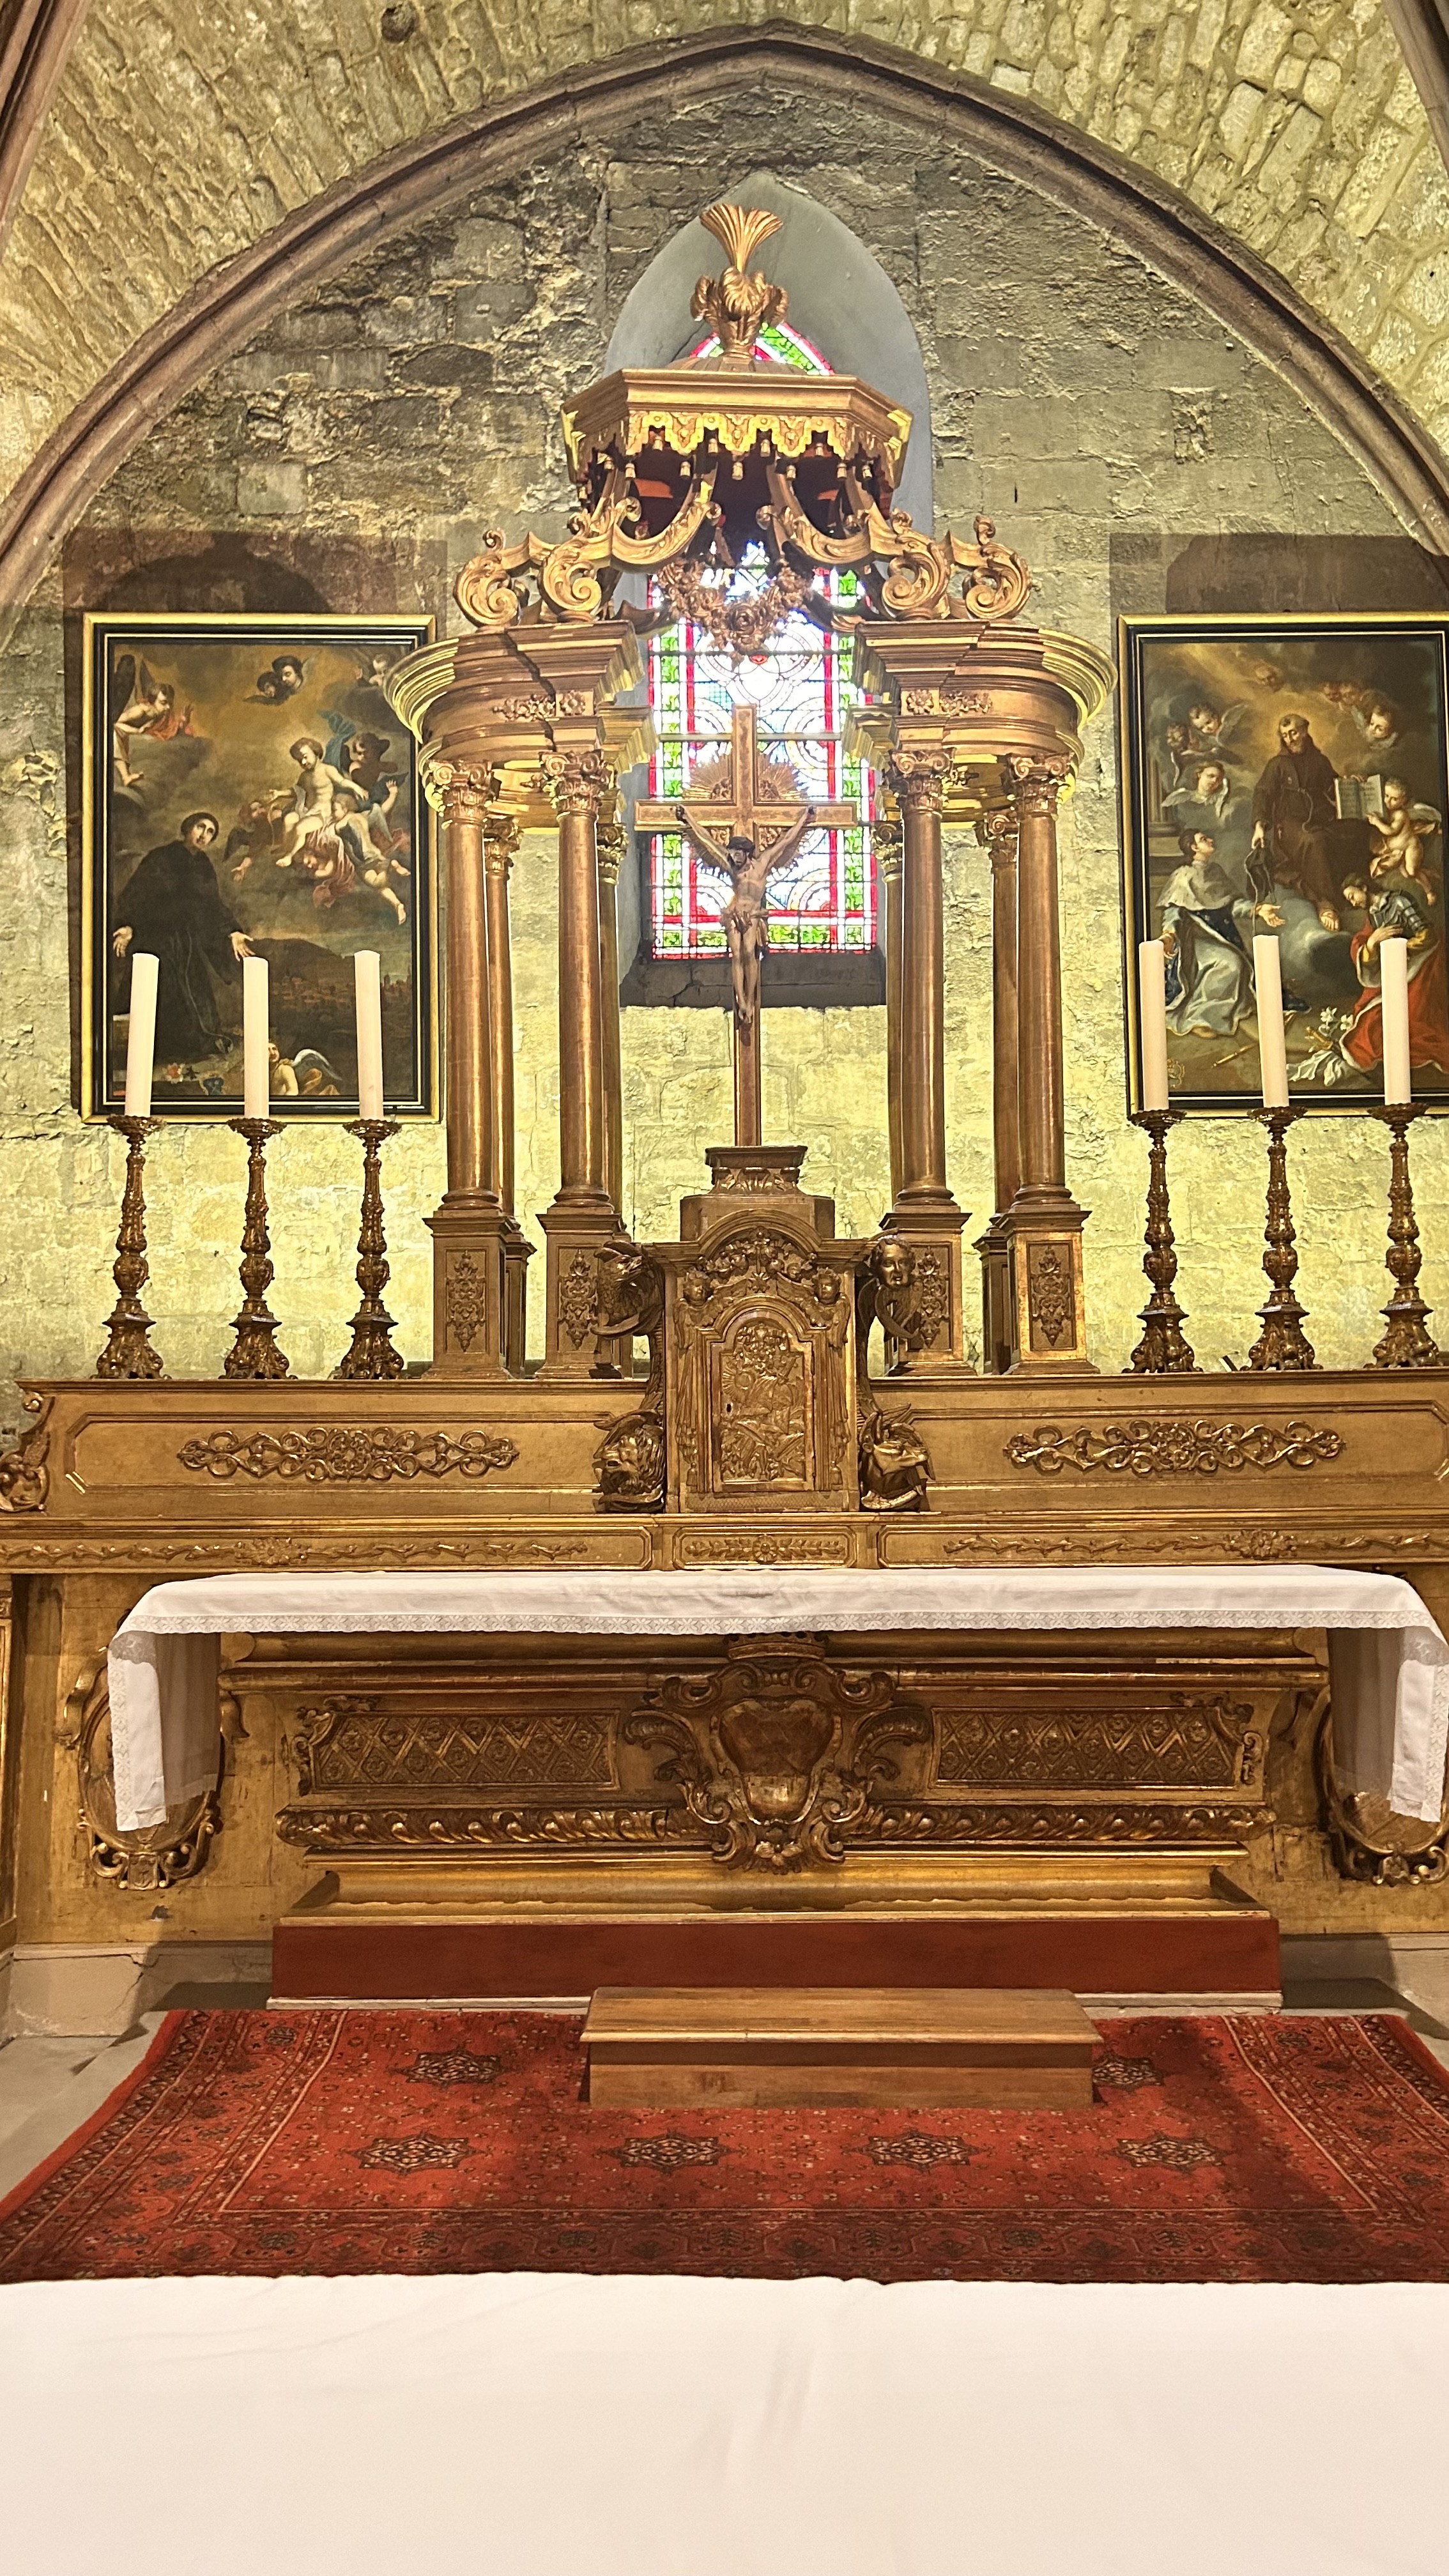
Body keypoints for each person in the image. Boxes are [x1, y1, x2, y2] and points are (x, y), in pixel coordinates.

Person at [111, 811, 252, 1072]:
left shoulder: (204, 866)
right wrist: (128, 925)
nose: (204, 835)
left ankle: (185, 1052)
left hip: (186, 942)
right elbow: (136, 893)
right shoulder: (160, 857)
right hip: (156, 939)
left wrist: (232, 931)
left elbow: (212, 905)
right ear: (188, 828)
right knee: (160, 993)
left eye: (211, 832)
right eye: (201, 827)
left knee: (195, 997)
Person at [673, 800, 817, 1031]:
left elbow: (787, 840)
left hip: (753, 915)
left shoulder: (763, 863)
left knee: (750, 953)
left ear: (747, 853)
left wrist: (804, 818)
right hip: (735, 914)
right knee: (737, 955)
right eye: (732, 853)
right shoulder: (732, 866)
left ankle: (750, 1000)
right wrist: (688, 818)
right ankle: (740, 1000)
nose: (735, 857)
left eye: (738, 853)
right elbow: (707, 840)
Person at [1250, 710, 1357, 930]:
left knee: (1353, 831)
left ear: (1305, 731)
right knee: (1314, 841)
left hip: (1320, 817)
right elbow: (1263, 794)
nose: (1290, 739)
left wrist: (1350, 784)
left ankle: (1354, 887)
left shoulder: (1319, 761)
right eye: (1285, 735)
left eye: (1293, 733)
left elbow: (1333, 787)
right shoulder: (1278, 764)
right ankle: (1325, 903)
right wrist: (1260, 826)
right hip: (1289, 825)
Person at [1158, 829, 1262, 1038]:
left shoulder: (1216, 872)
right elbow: (1173, 911)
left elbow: (1231, 905)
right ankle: (1199, 1017)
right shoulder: (1182, 876)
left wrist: (1258, 910)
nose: (1211, 840)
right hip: (1193, 943)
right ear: (1194, 848)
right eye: (1204, 840)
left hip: (1219, 938)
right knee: (1229, 964)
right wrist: (1169, 934)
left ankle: (1213, 1014)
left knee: (1236, 963)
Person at [275, 737, 354, 866]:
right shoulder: (304, 776)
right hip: (305, 810)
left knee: (300, 828)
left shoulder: (327, 770)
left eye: (305, 757)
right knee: (289, 819)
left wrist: (357, 788)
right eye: (300, 760)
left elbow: (342, 782)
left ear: (316, 752)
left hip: (322, 814)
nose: (303, 762)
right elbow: (296, 791)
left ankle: (289, 856)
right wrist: (279, 793)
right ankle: (288, 849)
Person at [1366, 779, 1440, 891]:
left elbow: (1391, 831)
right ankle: (1428, 874)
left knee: (1412, 872)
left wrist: (1377, 822)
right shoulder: (1387, 811)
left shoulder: (1401, 814)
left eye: (1394, 799)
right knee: (1406, 874)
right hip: (1399, 850)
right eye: (1387, 796)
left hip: (1410, 846)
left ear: (1403, 801)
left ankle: (1430, 891)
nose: (1388, 801)